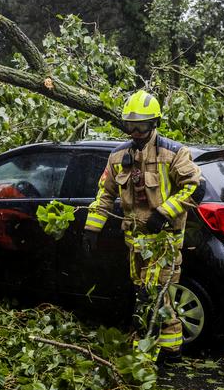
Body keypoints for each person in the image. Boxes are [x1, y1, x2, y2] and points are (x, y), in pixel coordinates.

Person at [82, 90, 204, 364]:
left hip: (165, 242)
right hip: (134, 242)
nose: (135, 132)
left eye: (141, 126)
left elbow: (196, 187)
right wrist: (92, 228)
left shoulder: (173, 153)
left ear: (154, 124)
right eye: (130, 126)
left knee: (151, 295)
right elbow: (105, 194)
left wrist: (164, 213)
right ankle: (172, 348)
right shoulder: (117, 156)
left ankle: (142, 351)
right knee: (157, 295)